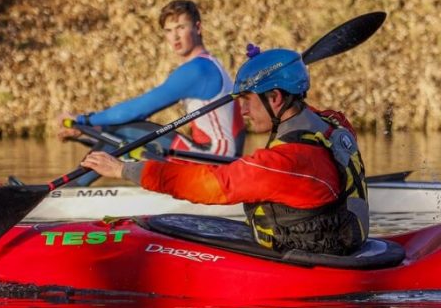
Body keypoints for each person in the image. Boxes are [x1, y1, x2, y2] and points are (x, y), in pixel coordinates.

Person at [80, 45, 370, 255]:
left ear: (276, 97)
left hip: (310, 261)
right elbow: (306, 111)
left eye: (246, 100)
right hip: (339, 242)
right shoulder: (333, 124)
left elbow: (211, 185)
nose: (241, 110)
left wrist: (123, 169)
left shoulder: (284, 162)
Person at [58, 0, 245, 186]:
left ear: (198, 28)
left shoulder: (198, 70)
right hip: (219, 156)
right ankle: (73, 189)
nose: (175, 37)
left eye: (181, 27)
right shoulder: (209, 64)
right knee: (123, 134)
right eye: (169, 31)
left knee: (125, 130)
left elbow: (136, 110)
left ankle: (68, 192)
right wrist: (88, 129)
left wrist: (85, 121)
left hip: (214, 159)